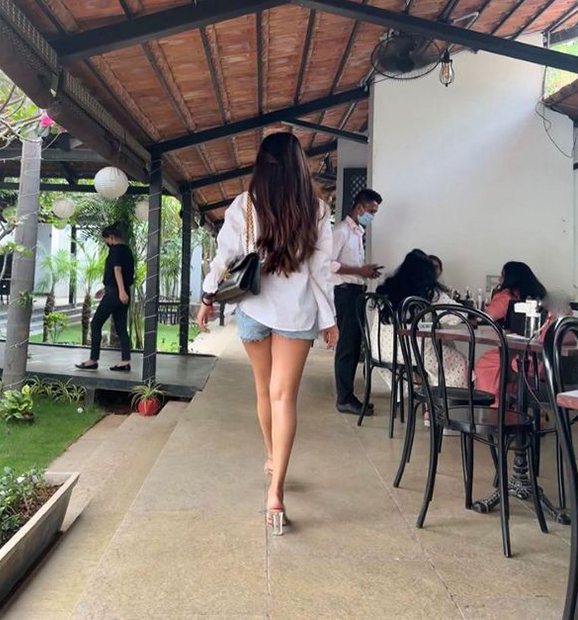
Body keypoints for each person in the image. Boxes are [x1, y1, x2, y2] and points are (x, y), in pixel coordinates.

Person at [196, 132, 338, 534]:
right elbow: (321, 272)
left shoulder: (245, 204)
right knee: (283, 397)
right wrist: (329, 318)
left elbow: (225, 258)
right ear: (299, 166)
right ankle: (276, 492)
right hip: (296, 313)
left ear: (262, 165)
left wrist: (207, 296)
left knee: (263, 391)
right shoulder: (316, 210)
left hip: (253, 309)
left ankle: (272, 456)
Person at [371, 249, 469, 395]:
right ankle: (441, 402)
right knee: (459, 362)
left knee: (437, 352)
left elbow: (403, 322)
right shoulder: (429, 292)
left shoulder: (387, 288)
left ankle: (417, 397)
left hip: (381, 351)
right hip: (413, 352)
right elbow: (457, 316)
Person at [332, 188, 383, 415]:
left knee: (354, 346)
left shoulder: (357, 232)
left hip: (356, 292)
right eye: (371, 211)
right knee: (346, 347)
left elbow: (352, 267)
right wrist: (359, 270)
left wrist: (365, 272)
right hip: (345, 294)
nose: (372, 216)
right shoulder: (341, 231)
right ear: (359, 208)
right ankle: (344, 398)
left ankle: (349, 395)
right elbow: (328, 263)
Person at [475, 261, 547, 405]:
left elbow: (487, 316)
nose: (500, 279)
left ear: (510, 278)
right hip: (545, 359)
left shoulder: (506, 297)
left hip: (522, 358)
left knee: (485, 362)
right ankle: (512, 404)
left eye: (502, 275)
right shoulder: (542, 297)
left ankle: (492, 408)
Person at [76, 225, 134, 372]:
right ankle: (125, 361)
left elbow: (117, 270)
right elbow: (120, 274)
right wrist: (107, 289)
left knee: (96, 323)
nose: (106, 242)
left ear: (112, 238)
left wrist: (119, 291)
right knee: (121, 326)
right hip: (121, 290)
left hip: (116, 292)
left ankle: (93, 360)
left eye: (106, 239)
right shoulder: (127, 250)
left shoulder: (115, 249)